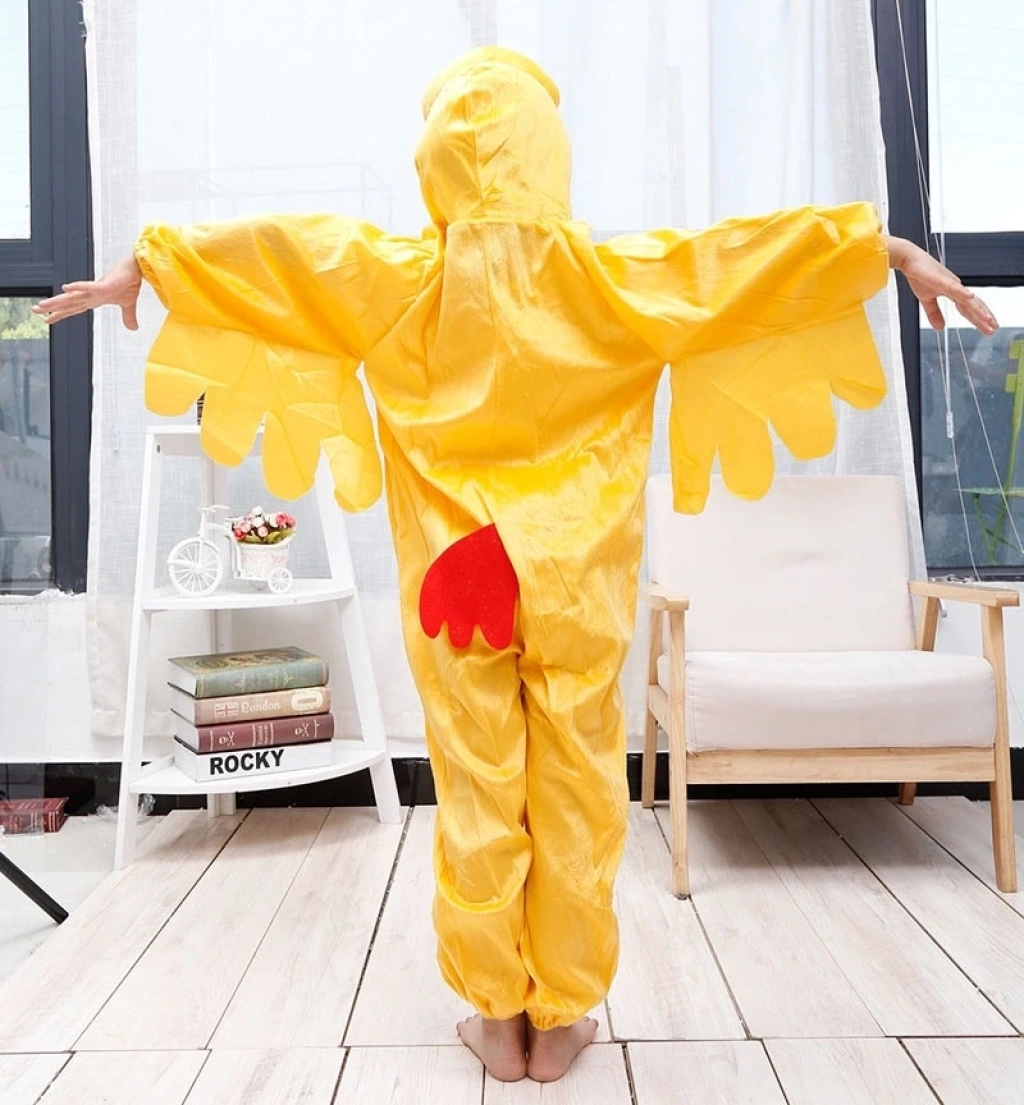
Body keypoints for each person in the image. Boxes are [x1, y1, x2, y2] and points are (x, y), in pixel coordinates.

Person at [37, 47, 996, 1084]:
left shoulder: (401, 276)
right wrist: (883, 249)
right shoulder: (609, 276)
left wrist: (153, 264)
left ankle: (497, 1015)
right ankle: (563, 1011)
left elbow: (280, 256)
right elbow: (737, 262)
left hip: (459, 580)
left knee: (477, 778)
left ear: (437, 159)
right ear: (549, 154)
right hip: (575, 581)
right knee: (579, 783)